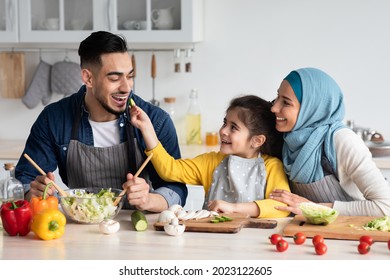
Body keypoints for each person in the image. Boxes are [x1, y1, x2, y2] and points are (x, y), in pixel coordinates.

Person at [15, 31, 187, 212]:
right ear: (88, 78)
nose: (126, 87)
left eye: (129, 76)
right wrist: (33, 192)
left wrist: (149, 200)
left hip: (137, 229)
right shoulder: (54, 118)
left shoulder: (156, 120)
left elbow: (176, 188)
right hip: (79, 225)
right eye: (114, 78)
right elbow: (25, 180)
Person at [130, 94, 290, 218]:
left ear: (257, 140)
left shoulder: (271, 166)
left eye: (233, 127)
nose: (223, 131)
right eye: (224, 122)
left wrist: (233, 208)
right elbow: (169, 170)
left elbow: (281, 207)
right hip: (213, 239)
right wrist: (147, 130)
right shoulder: (212, 161)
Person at [269, 67, 390, 216]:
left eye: (286, 103)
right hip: (309, 231)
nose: (274, 107)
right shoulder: (288, 140)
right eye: (277, 97)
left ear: (312, 107)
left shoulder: (342, 140)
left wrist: (313, 208)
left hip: (349, 233)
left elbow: (385, 206)